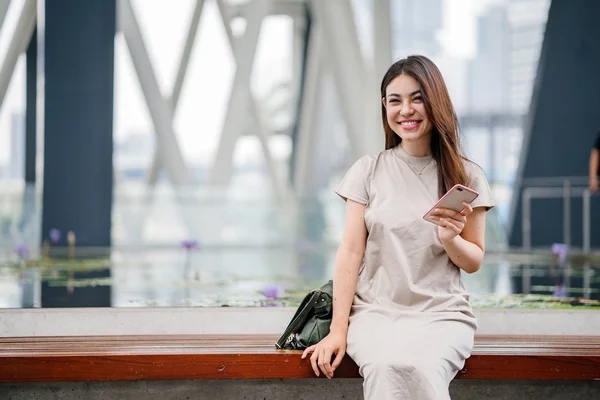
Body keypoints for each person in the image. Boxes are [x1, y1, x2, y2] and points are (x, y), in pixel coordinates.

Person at [301, 55, 494, 399]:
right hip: (375, 313)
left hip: (442, 315)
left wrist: (450, 239)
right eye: (395, 100)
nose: (406, 110)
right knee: (385, 366)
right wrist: (337, 330)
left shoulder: (467, 176)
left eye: (417, 98)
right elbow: (350, 253)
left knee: (422, 366)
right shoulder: (367, 171)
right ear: (384, 107)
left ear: (436, 102)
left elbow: (474, 260)